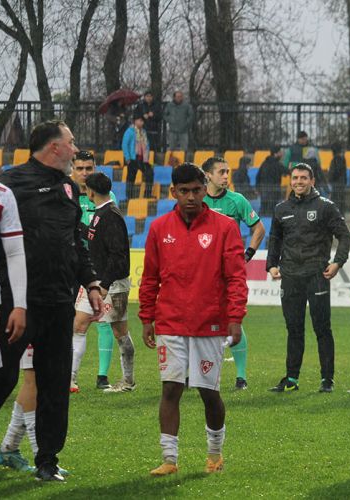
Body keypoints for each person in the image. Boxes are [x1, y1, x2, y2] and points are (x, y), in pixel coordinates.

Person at [0, 120, 103, 481]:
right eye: (71, 144)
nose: (76, 151)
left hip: (59, 301)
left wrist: (90, 282)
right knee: (2, 376)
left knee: (55, 383)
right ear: (54, 147)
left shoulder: (71, 189)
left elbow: (76, 242)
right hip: (16, 302)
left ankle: (47, 460)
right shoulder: (10, 184)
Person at [140, 163, 247, 476]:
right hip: (170, 322)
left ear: (204, 190)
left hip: (209, 324)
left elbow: (236, 277)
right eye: (183, 191)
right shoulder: (159, 228)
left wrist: (235, 317)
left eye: (196, 190)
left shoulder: (225, 227)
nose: (190, 197)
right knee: (170, 389)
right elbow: (150, 278)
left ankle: (214, 453)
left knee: (208, 392)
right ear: (173, 192)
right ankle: (169, 459)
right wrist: (147, 316)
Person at [266, 163, 350, 393]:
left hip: (317, 274)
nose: (299, 182)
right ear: (290, 180)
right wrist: (271, 265)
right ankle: (292, 379)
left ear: (312, 181)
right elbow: (275, 239)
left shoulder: (325, 207)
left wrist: (337, 262)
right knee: (293, 329)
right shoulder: (281, 208)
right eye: (295, 178)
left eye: (304, 178)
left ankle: (327, 380)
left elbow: (343, 235)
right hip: (290, 276)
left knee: (322, 328)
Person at [202, 157, 266, 390]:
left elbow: (259, 228)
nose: (226, 176)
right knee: (199, 320)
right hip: (202, 272)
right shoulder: (197, 201)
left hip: (228, 272)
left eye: (227, 172)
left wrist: (247, 254)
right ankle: (197, 372)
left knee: (233, 318)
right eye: (221, 172)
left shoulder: (237, 200)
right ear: (207, 175)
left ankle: (241, 376)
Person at [72, 172, 134, 394]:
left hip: (112, 284)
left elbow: (118, 256)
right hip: (96, 281)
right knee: (78, 324)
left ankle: (128, 381)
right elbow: (96, 237)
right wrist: (78, 226)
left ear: (90, 191)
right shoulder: (101, 213)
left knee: (120, 332)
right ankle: (70, 379)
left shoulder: (111, 215)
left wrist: (105, 284)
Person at [68, 150, 119, 392]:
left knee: (102, 321)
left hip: (94, 270)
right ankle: (64, 375)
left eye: (89, 168)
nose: (85, 173)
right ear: (72, 169)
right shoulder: (64, 192)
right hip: (66, 267)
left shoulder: (106, 197)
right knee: (69, 323)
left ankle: (101, 376)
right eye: (80, 168)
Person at [0, 172, 29, 473]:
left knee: (5, 375)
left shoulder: (2, 195)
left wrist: (20, 304)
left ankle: (9, 447)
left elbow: (15, 252)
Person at [122, 114, 154, 198]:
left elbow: (147, 144)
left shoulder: (143, 132)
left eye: (142, 121)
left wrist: (147, 156)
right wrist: (127, 157)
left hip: (143, 159)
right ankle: (129, 197)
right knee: (131, 178)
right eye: (140, 121)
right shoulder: (130, 131)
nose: (141, 123)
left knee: (149, 173)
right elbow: (125, 144)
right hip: (133, 158)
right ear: (135, 121)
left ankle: (147, 195)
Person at [257, 145, 287, 217]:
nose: (282, 154)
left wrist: (257, 188)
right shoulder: (277, 164)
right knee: (272, 210)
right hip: (274, 190)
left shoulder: (264, 163)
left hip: (264, 189)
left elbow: (258, 176)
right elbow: (287, 171)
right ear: (276, 153)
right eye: (280, 152)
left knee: (263, 208)